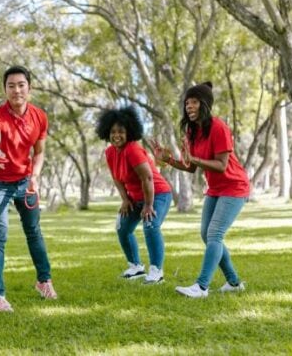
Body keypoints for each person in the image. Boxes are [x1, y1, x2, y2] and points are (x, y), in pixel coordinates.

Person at [152, 82, 250, 298]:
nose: (189, 106)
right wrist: (167, 159)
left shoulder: (218, 127)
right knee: (207, 235)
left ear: (204, 104)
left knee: (215, 233)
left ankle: (201, 287)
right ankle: (233, 283)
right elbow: (191, 166)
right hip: (215, 189)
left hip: (235, 186)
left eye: (194, 102)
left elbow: (222, 165)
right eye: (187, 103)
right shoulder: (192, 131)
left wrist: (193, 158)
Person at [0, 65, 56, 312]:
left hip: (25, 181)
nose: (16, 90)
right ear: (5, 90)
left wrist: (35, 176)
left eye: (21, 85)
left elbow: (40, 152)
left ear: (29, 88)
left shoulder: (39, 116)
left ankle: (43, 282)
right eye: (11, 86)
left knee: (34, 232)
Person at [96, 106, 172, 284]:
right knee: (122, 227)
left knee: (150, 224)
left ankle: (156, 271)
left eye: (121, 131)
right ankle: (136, 267)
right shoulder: (110, 152)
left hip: (158, 193)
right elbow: (117, 178)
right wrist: (125, 199)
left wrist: (148, 205)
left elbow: (147, 178)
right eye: (113, 132)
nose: (116, 135)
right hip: (136, 197)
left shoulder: (133, 150)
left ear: (129, 132)